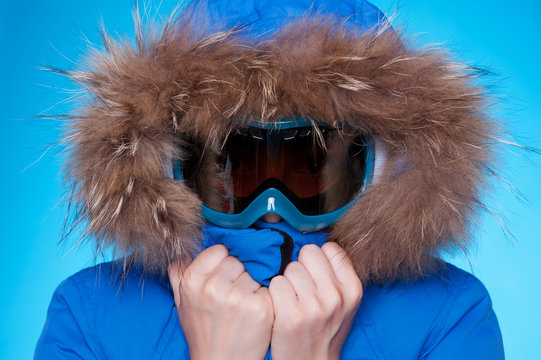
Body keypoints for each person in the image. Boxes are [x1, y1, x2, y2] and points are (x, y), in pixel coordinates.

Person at [35, 0, 505, 359]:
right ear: (170, 164)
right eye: (237, 164)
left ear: (380, 165)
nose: (273, 206)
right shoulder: (88, 314)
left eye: (311, 163)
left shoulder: (452, 316)